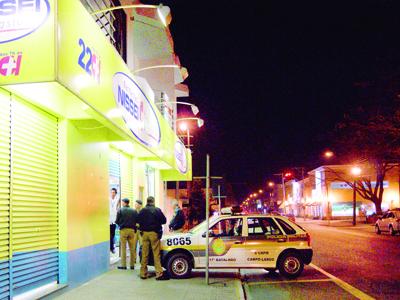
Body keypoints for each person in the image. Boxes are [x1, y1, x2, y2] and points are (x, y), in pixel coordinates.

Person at [137, 196, 168, 280]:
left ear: (147, 202)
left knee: (144, 254)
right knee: (156, 254)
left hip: (144, 234)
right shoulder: (157, 210)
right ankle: (159, 273)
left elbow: (138, 221)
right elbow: (164, 221)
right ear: (153, 202)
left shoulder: (142, 211)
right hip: (154, 234)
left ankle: (143, 273)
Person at [115, 198, 138, 270]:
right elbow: (137, 220)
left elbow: (117, 221)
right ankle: (132, 265)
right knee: (132, 248)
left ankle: (124, 265)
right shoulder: (134, 211)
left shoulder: (120, 210)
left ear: (125, 203)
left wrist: (121, 224)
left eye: (122, 202)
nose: (122, 203)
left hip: (123, 230)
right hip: (132, 230)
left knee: (123, 248)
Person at [109, 188, 120, 253]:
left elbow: (117, 209)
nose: (112, 193)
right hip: (108, 220)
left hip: (114, 220)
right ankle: (111, 248)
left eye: (114, 192)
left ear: (115, 193)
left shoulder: (117, 200)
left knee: (112, 235)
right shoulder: (108, 199)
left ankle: (112, 247)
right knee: (109, 235)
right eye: (111, 192)